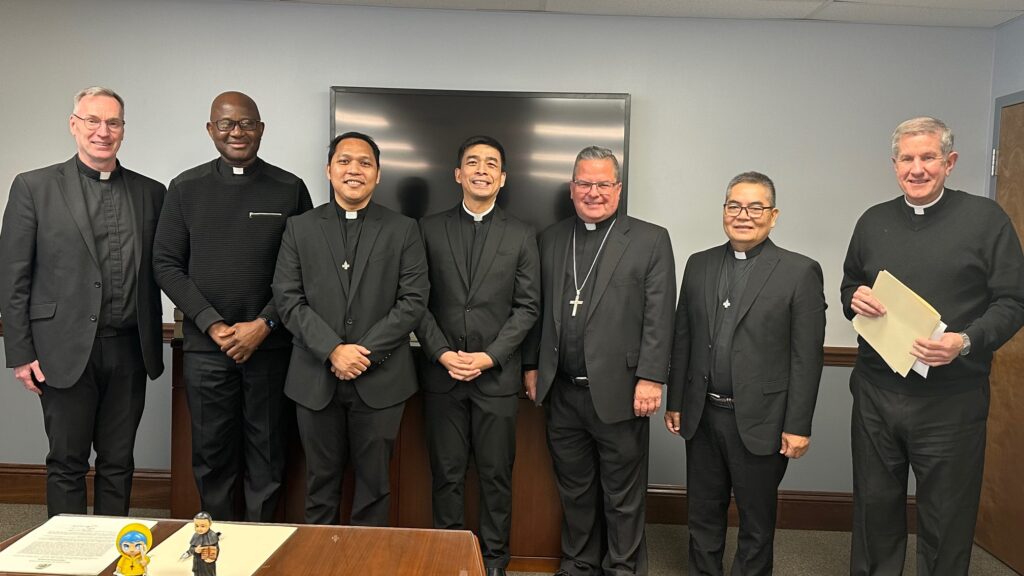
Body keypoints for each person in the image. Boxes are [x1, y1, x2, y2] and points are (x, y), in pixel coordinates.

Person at [841, 117, 1024, 575]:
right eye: (907, 158)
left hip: (951, 402)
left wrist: (965, 342)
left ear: (950, 162)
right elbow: (850, 287)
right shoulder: (872, 221)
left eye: (928, 158)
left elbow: (1014, 301)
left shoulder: (986, 221)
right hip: (876, 396)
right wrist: (853, 299)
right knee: (874, 512)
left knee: (946, 519)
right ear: (894, 164)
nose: (917, 168)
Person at [0, 87, 165, 517]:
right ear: (74, 125)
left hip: (130, 348)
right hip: (62, 349)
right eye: (92, 121)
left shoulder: (152, 193)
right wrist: (19, 353)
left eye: (113, 122)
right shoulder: (33, 187)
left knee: (118, 464)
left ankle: (114, 556)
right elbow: (12, 276)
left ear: (123, 131)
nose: (102, 131)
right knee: (67, 463)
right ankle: (67, 558)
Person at [153, 91, 313, 522]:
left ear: (261, 129)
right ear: (211, 130)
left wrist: (264, 323)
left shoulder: (290, 188)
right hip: (208, 350)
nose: (236, 132)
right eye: (226, 124)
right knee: (212, 456)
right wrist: (211, 324)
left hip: (270, 348)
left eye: (246, 123)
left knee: (268, 455)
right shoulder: (185, 188)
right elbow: (166, 264)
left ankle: (260, 550)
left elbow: (304, 269)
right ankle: (217, 550)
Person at [523, 146, 675, 576]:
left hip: (621, 392)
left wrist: (650, 378)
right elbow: (536, 310)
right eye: (585, 184)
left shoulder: (649, 239)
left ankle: (623, 568)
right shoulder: (551, 239)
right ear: (571, 189)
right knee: (574, 490)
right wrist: (531, 366)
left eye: (603, 184)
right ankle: (578, 565)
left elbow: (659, 316)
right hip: (562, 391)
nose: (594, 192)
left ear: (618, 189)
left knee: (622, 494)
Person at [665, 171, 826, 575]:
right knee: (702, 517)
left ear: (773, 216)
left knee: (756, 526)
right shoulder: (698, 264)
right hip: (702, 417)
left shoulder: (799, 271)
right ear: (723, 211)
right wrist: (676, 402)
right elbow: (683, 337)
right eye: (734, 205)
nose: (743, 215)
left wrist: (798, 425)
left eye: (755, 207)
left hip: (763, 421)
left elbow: (807, 357)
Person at [272, 131, 429, 526]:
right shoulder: (300, 228)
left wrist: (360, 354)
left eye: (364, 163)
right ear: (329, 170)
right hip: (314, 377)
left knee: (375, 486)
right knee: (319, 483)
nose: (354, 170)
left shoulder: (403, 229)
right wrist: (332, 350)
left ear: (377, 175)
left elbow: (412, 301)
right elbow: (288, 298)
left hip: (382, 380)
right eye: (344, 161)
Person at [415, 135, 540, 576]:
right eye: (472, 162)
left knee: (495, 477)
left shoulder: (523, 234)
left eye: (491, 164)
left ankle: (494, 564)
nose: (481, 169)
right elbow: (417, 301)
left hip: (496, 379)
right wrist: (442, 353)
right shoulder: (427, 229)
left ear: (503, 178)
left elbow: (527, 307)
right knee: (446, 476)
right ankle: (449, 560)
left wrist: (490, 357)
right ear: (458, 174)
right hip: (441, 375)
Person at [187, 511, 220, 576]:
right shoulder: (195, 536)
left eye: (203, 526)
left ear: (210, 524)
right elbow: (191, 549)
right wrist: (195, 550)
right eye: (196, 526)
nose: (199, 529)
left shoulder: (212, 535)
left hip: (208, 564)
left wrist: (213, 559)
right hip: (197, 563)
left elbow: (217, 549)